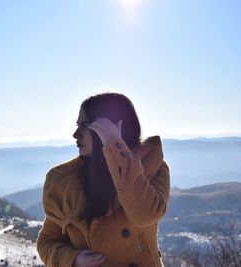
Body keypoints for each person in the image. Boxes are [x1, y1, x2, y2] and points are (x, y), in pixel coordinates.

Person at [36, 92, 170, 267]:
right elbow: (47, 241)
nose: (76, 134)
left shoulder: (152, 166)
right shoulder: (64, 181)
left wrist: (114, 145)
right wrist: (73, 260)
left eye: (85, 125)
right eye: (77, 125)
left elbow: (144, 216)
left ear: (113, 127)